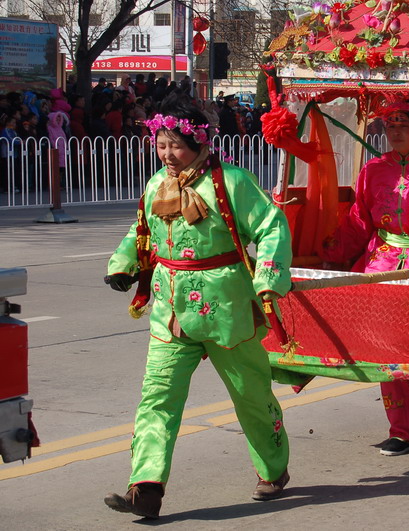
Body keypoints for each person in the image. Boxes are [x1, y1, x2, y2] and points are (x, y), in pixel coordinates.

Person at [103, 94, 293, 519]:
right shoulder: (156, 185)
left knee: (250, 394)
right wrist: (123, 264)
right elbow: (142, 232)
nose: (168, 154)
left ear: (199, 142)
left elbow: (271, 225)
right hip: (170, 311)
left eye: (176, 145)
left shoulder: (232, 182)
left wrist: (267, 278)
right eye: (161, 144)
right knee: (157, 397)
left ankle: (273, 468)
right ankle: (146, 486)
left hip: (226, 307)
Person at [321, 101, 409, 456]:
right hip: (381, 265)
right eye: (389, 125)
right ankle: (403, 429)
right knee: (384, 349)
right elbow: (359, 220)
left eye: (403, 125)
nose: (394, 132)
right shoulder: (373, 170)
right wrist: (331, 256)